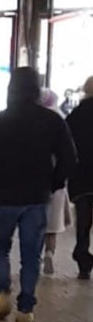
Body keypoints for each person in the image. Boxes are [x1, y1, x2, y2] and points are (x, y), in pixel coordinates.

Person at [0, 66, 77, 322]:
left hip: (3, 197)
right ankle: (25, 310)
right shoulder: (52, 121)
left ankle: (1, 293)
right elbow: (69, 158)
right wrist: (54, 183)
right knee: (31, 255)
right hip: (35, 197)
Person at [38, 89, 71, 276]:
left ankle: (36, 255)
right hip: (56, 179)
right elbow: (68, 153)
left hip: (36, 179)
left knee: (37, 219)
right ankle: (50, 252)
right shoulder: (60, 118)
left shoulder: (34, 119)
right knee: (53, 223)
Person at [66, 75, 93, 280]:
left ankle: (83, 259)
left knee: (83, 220)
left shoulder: (76, 114)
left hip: (82, 177)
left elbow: (65, 144)